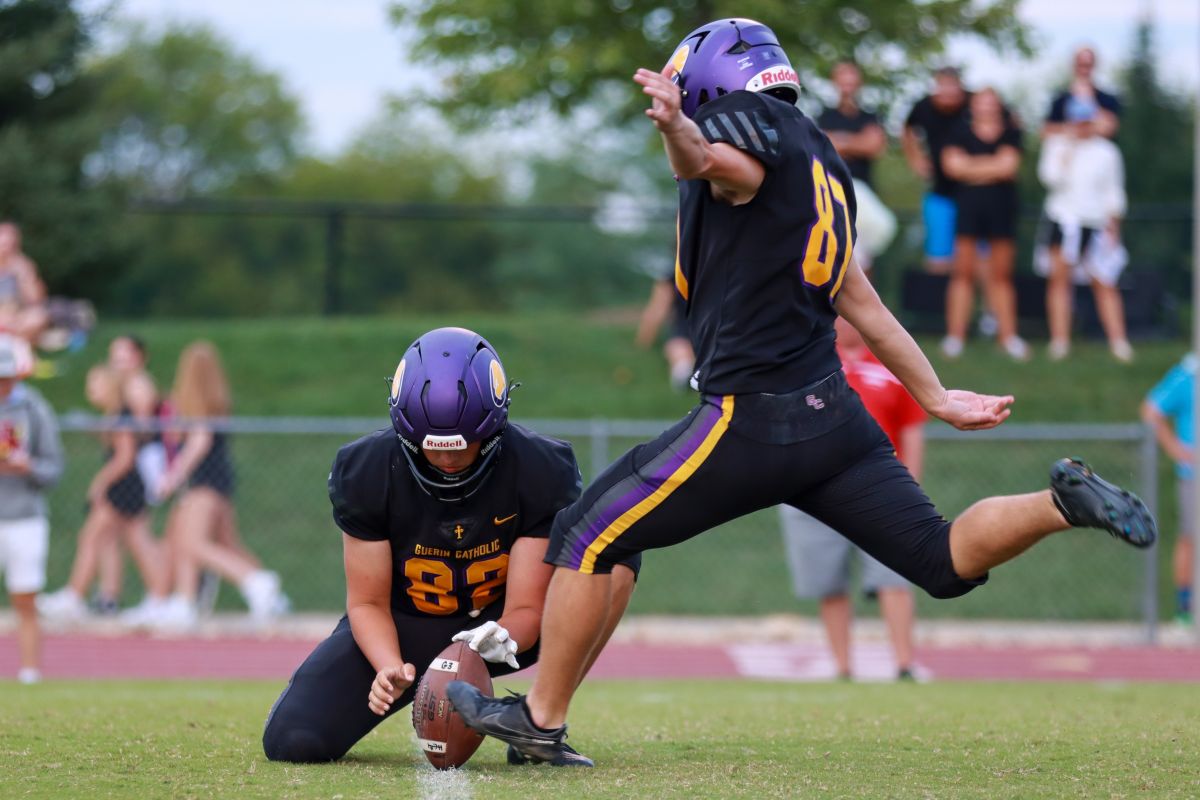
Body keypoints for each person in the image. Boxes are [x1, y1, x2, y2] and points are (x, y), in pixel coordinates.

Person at [448, 18, 1156, 767]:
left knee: (587, 534)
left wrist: (678, 127)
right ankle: (1057, 504)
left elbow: (715, 162)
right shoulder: (822, 162)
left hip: (751, 416)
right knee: (940, 559)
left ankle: (541, 718)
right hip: (834, 417)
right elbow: (865, 305)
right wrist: (938, 397)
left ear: (709, 81)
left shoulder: (738, 127)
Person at [262, 327, 639, 765]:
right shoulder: (368, 469)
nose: (446, 460)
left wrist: (497, 638)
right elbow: (366, 602)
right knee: (293, 740)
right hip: (406, 626)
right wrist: (388, 665)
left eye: (461, 448)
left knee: (613, 555)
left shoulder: (538, 468)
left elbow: (527, 607)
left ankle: (538, 721)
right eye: (433, 448)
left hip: (498, 631)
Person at [779, 318, 923, 681]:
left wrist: (910, 487)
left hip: (881, 487)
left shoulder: (891, 364)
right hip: (817, 486)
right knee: (829, 582)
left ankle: (904, 664)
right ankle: (842, 668)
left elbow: (912, 430)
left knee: (894, 577)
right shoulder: (809, 362)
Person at [133, 341, 284, 629]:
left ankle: (254, 580)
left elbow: (199, 442)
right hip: (218, 481)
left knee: (192, 543)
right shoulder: (216, 402)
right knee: (219, 541)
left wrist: (173, 476)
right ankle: (185, 601)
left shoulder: (198, 405)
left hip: (202, 483)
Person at [37, 364, 170, 621]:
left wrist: (100, 483)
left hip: (123, 488)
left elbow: (125, 457)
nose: (90, 390)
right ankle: (159, 597)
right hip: (128, 486)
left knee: (92, 537)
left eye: (95, 385)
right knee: (137, 541)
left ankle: (74, 595)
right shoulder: (116, 416)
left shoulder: (122, 417)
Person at [1037, 97, 1131, 362]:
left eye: (1086, 121)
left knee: (1105, 282)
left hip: (1096, 223)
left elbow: (1113, 190)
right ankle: (1060, 341)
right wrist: (1067, 149)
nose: (1082, 126)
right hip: (1064, 219)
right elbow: (1051, 179)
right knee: (1059, 281)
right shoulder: (1056, 145)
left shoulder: (1108, 152)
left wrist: (1114, 223)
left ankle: (1119, 342)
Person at [940, 88, 1027, 361]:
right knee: (962, 273)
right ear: (973, 106)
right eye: (981, 102)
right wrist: (992, 167)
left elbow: (1008, 166)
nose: (986, 107)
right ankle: (955, 336)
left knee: (1002, 275)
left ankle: (1008, 337)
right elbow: (952, 167)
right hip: (968, 207)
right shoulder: (958, 131)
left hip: (1002, 208)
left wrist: (971, 168)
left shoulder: (1011, 132)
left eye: (991, 102)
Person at [0, 334, 63, 683]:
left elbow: (54, 467)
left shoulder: (34, 408)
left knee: (25, 597)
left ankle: (29, 672)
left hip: (24, 515)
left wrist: (29, 467)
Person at [817, 61, 895, 274]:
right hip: (833, 192)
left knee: (864, 258)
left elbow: (874, 146)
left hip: (864, 191)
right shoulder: (824, 116)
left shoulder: (870, 116)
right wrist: (858, 141)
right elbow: (822, 146)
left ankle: (865, 296)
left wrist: (840, 140)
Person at [1142, 355, 1196, 625]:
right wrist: (1176, 449)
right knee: (1191, 537)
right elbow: (1151, 410)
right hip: (1194, 476)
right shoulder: (1189, 374)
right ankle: (1185, 609)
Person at [902, 68, 970, 274]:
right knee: (938, 259)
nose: (947, 91)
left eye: (952, 85)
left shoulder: (975, 104)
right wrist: (915, 159)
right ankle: (937, 294)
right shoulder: (923, 107)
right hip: (939, 192)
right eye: (943, 85)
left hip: (973, 193)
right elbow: (907, 130)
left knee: (975, 259)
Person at [1043, 47, 1121, 140]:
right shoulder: (1060, 99)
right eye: (1080, 65)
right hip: (1067, 145)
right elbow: (1046, 131)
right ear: (1073, 66)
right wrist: (1073, 129)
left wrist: (1088, 101)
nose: (1084, 70)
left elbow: (1110, 129)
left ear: (1094, 66)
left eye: (1088, 65)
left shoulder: (1107, 99)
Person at [635, 273, 695, 390]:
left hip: (685, 331)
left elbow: (657, 309)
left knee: (679, 347)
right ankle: (688, 373)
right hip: (720, 330)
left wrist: (642, 344)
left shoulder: (676, 273)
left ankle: (684, 372)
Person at [0, 222, 50, 346]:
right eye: (3, 244)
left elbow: (35, 301)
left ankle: (12, 344)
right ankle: (18, 344)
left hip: (16, 319)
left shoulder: (23, 265)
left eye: (11, 245)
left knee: (38, 317)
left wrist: (24, 275)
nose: (6, 249)